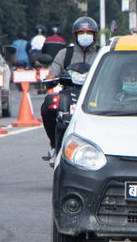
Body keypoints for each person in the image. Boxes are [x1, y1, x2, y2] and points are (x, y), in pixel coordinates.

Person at [40, 17, 102, 152]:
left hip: (96, 95)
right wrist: (51, 78)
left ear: (95, 35)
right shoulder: (65, 54)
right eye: (81, 33)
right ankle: (55, 144)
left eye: (89, 33)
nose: (85, 36)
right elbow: (51, 79)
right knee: (47, 106)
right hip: (68, 94)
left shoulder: (101, 53)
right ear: (75, 35)